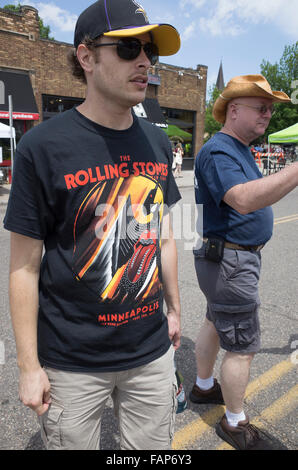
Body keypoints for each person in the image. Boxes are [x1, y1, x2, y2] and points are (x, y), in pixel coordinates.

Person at [4, 0, 182, 450]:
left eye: (150, 53)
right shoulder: (43, 147)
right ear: (86, 57)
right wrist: (28, 366)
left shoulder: (158, 142)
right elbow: (24, 266)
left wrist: (175, 310)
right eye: (128, 50)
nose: (144, 61)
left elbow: (162, 235)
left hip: (150, 352)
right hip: (72, 361)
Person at [190, 74, 298, 450]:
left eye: (270, 108)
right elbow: (243, 199)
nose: (268, 114)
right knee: (242, 345)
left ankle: (204, 387)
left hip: (225, 258)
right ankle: (235, 422)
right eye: (261, 107)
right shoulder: (221, 149)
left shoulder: (236, 147)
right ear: (233, 110)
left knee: (214, 322)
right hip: (231, 262)